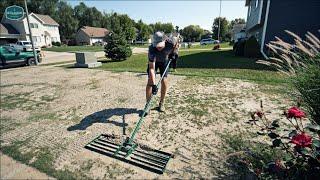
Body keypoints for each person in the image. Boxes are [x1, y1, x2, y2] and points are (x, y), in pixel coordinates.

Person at [145, 31, 178, 115]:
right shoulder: (152, 49)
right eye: (157, 44)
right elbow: (152, 68)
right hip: (154, 63)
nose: (158, 47)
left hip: (164, 61)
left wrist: (173, 53)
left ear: (165, 40)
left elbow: (176, 45)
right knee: (150, 82)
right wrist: (153, 84)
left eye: (160, 45)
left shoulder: (170, 42)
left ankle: (161, 103)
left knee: (164, 80)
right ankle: (148, 105)